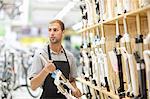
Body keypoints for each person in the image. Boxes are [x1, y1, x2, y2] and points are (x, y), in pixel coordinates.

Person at [29, 19, 82, 99]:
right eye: (50, 30)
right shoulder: (41, 54)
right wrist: (45, 71)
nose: (52, 33)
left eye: (55, 30)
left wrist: (75, 89)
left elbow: (71, 80)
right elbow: (33, 86)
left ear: (63, 33)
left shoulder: (69, 56)